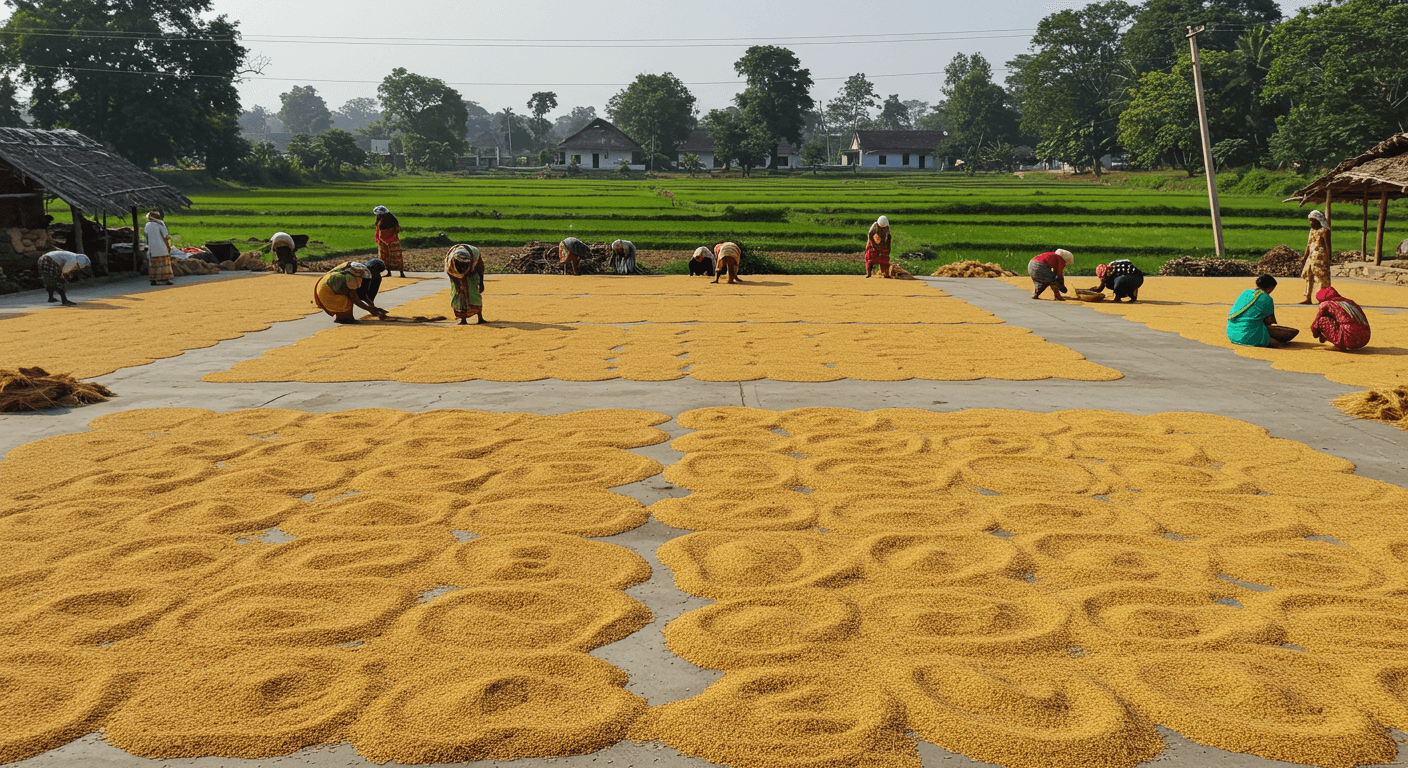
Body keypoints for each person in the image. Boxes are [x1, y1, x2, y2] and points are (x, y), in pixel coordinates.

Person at [314, 262, 386, 324]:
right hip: (327, 294)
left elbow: (362, 295)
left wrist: (373, 307)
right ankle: (344, 318)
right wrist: (370, 309)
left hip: (321, 288)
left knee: (348, 294)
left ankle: (342, 317)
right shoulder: (351, 278)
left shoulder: (349, 267)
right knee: (348, 300)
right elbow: (355, 299)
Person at [1227, 275, 1281, 347]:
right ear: (1270, 288)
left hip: (1231, 333)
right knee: (1278, 344)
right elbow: (1271, 321)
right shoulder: (1267, 298)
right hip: (1248, 336)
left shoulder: (1246, 292)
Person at [1311, 286, 1371, 351]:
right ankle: (1340, 340)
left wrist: (1317, 334)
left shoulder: (1326, 304)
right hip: (1365, 338)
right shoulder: (1349, 302)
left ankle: (1340, 344)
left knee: (1321, 320)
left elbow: (1315, 325)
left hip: (1349, 339)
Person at [446, 245, 488, 325]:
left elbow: (481, 269)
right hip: (456, 275)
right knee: (459, 295)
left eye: (464, 266)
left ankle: (480, 317)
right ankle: (463, 319)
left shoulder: (475, 257)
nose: (462, 269)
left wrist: (481, 283)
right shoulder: (451, 262)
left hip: (472, 273)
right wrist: (457, 284)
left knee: (474, 294)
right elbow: (450, 273)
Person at [1300, 210, 1331, 304]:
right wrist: (1305, 256)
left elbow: (1328, 246)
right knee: (1308, 276)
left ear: (1318, 220)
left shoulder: (1324, 231)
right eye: (1310, 220)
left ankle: (1322, 298)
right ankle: (1308, 297)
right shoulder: (1312, 231)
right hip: (1311, 257)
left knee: (1321, 278)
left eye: (1312, 220)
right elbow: (1308, 245)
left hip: (1321, 258)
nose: (1311, 223)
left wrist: (1329, 259)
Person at [373, 205, 406, 278]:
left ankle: (390, 272)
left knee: (386, 257)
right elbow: (397, 230)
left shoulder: (382, 221)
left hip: (385, 242)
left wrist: (380, 239)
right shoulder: (392, 220)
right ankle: (400, 273)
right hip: (393, 240)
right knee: (395, 257)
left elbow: (381, 233)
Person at [144, 210, 174, 286]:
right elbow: (165, 236)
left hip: (152, 247)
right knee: (164, 263)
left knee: (154, 263)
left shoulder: (147, 225)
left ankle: (154, 279)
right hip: (161, 246)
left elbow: (147, 237)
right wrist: (168, 246)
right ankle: (167, 279)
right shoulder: (161, 224)